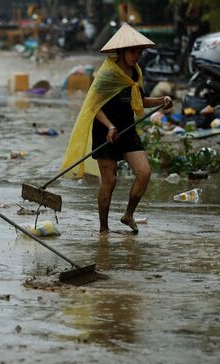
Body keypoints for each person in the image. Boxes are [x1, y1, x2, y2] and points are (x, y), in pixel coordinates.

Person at [60, 23, 173, 234]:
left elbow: (139, 100)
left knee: (145, 172)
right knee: (110, 181)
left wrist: (162, 100)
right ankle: (103, 229)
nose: (136, 55)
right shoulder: (106, 74)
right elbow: (94, 106)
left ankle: (128, 214)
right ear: (121, 52)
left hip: (127, 129)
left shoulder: (135, 73)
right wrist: (110, 126)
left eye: (139, 51)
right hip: (105, 130)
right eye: (132, 51)